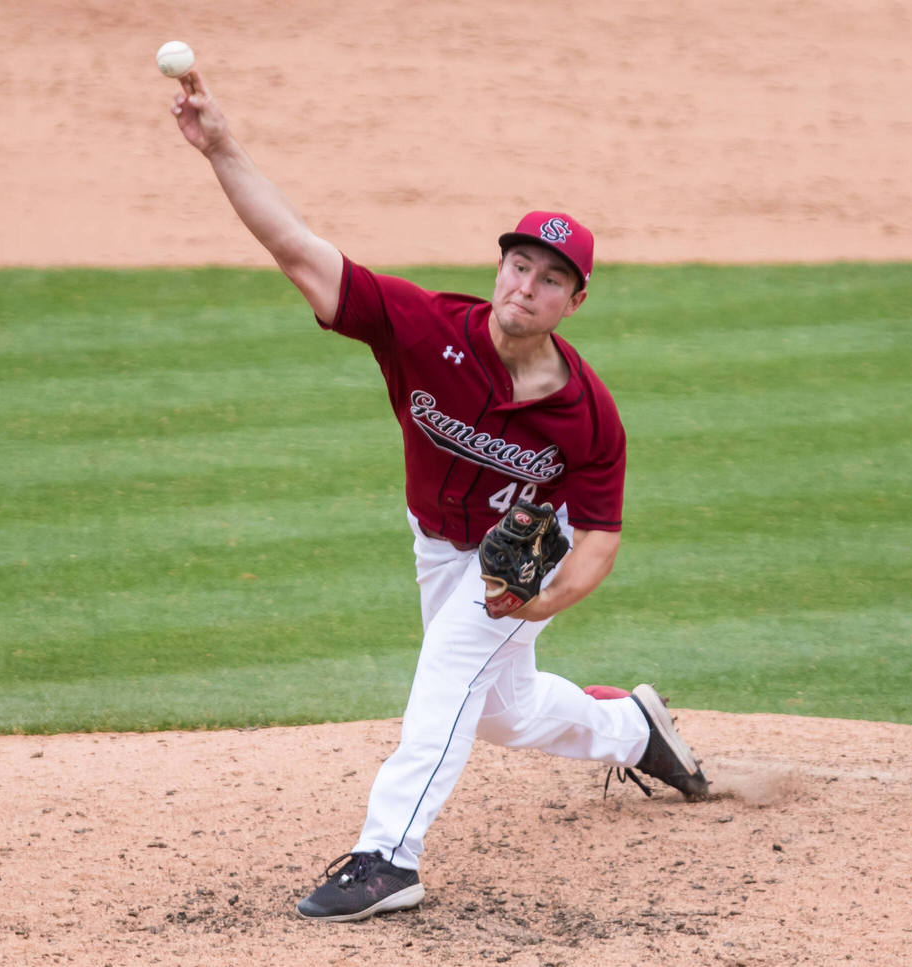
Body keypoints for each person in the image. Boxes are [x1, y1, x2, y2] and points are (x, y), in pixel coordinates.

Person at [169, 69, 710, 923]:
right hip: (438, 542)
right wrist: (223, 147)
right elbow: (300, 250)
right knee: (505, 712)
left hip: (521, 561)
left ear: (574, 300)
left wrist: (540, 602)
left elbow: (600, 536)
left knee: (450, 667)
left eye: (549, 278)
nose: (525, 285)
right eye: (518, 264)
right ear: (499, 267)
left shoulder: (588, 415)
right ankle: (636, 730)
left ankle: (389, 856)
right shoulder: (423, 330)